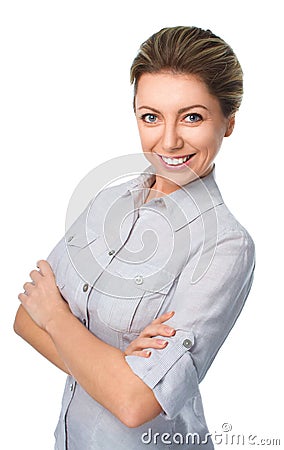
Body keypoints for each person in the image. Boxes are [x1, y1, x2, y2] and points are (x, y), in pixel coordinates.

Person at [14, 26, 255, 449]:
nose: (168, 139)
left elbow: (134, 402)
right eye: (151, 117)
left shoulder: (225, 246)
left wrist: (57, 317)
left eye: (192, 116)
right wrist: (117, 368)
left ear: (229, 122)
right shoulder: (106, 201)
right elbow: (23, 318)